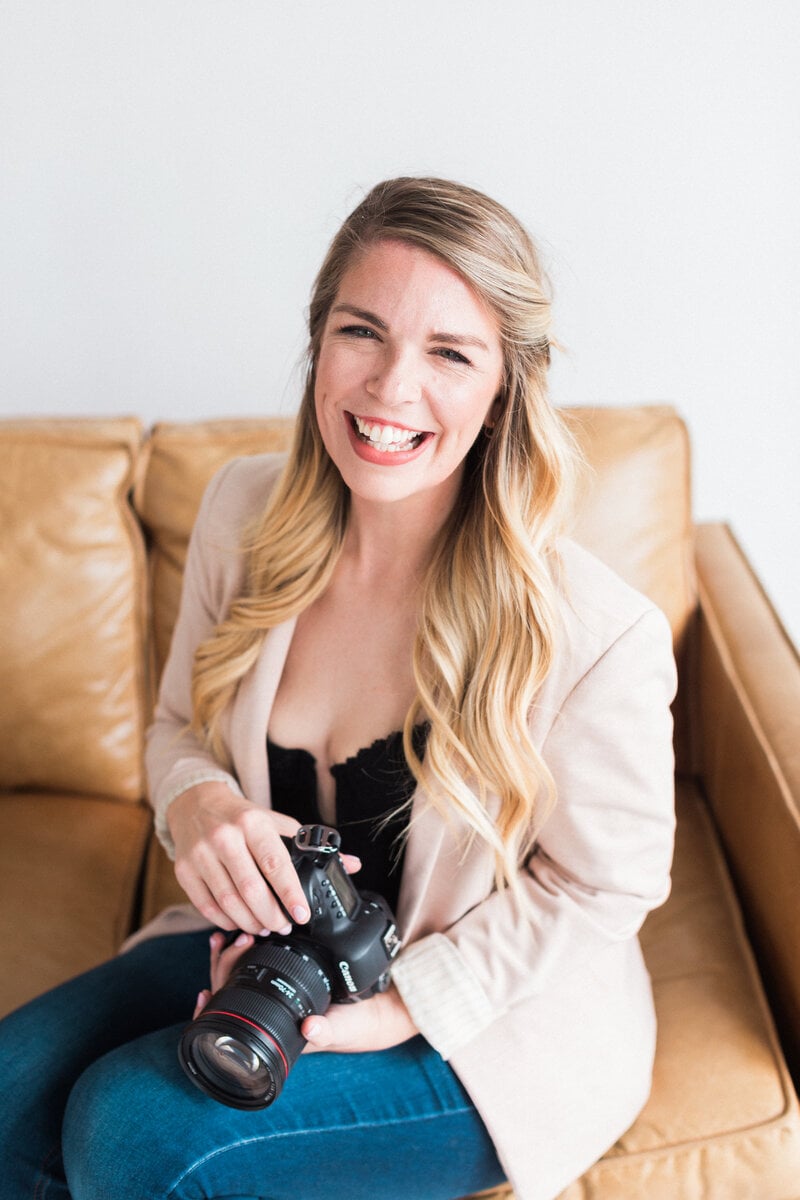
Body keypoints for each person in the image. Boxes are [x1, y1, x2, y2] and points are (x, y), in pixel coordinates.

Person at [0, 177, 676, 1200]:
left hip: (482, 1023)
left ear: (504, 390)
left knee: (131, 1132)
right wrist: (202, 801)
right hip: (268, 960)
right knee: (9, 1098)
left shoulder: (594, 633)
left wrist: (405, 1006)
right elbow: (177, 727)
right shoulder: (241, 512)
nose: (392, 387)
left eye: (450, 354)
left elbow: (604, 889)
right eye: (363, 331)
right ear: (319, 342)